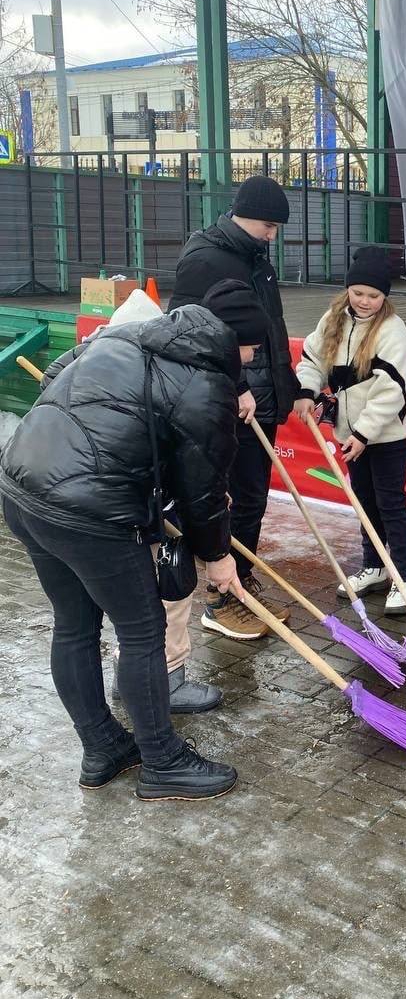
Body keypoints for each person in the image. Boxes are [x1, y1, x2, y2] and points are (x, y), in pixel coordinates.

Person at [0, 283, 274, 800]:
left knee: (75, 626)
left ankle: (103, 747)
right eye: (252, 349)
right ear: (233, 342)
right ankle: (162, 760)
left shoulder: (128, 335)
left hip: (20, 484)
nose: (253, 358)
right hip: (90, 512)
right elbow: (203, 492)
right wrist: (218, 558)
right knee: (143, 632)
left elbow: (58, 376)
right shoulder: (206, 386)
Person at [168, 175, 299, 640]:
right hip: (231, 403)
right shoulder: (205, 259)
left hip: (262, 400)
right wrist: (235, 384)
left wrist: (293, 389)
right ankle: (219, 597)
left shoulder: (255, 257)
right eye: (268, 224)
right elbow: (190, 333)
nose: (273, 234)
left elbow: (270, 331)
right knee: (227, 499)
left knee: (252, 500)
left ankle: (239, 583)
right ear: (241, 216)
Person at [102, 290, 222, 714]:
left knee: (131, 600)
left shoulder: (89, 367)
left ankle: (129, 675)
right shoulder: (153, 378)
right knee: (170, 590)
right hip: (137, 508)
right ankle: (166, 680)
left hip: (107, 509)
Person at [293, 246, 406, 615]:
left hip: (387, 435)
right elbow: (313, 357)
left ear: (385, 296)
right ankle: (375, 566)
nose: (364, 301)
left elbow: (390, 391)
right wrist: (306, 391)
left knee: (390, 501)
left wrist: (363, 434)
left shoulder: (393, 332)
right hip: (350, 435)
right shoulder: (333, 318)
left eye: (374, 295)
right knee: (364, 501)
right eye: (358, 292)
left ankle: (403, 576)